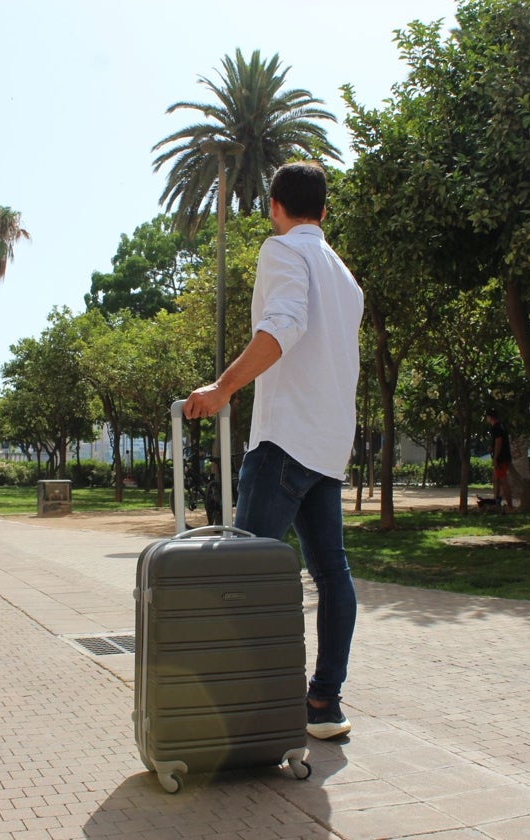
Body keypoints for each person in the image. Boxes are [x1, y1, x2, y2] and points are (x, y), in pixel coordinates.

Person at [183, 162, 363, 740]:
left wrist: (222, 388)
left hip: (285, 440)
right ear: (325, 212)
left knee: (248, 573)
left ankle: (245, 709)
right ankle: (324, 705)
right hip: (328, 448)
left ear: (275, 207)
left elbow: (283, 325)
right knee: (332, 574)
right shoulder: (346, 277)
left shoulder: (283, 250)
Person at [485, 408, 513, 511]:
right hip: (503, 456)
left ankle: (510, 506)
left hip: (501, 458)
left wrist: (495, 458)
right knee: (495, 479)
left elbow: (499, 442)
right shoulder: (501, 426)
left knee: (503, 480)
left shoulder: (496, 427)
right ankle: (497, 502)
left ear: (490, 417)